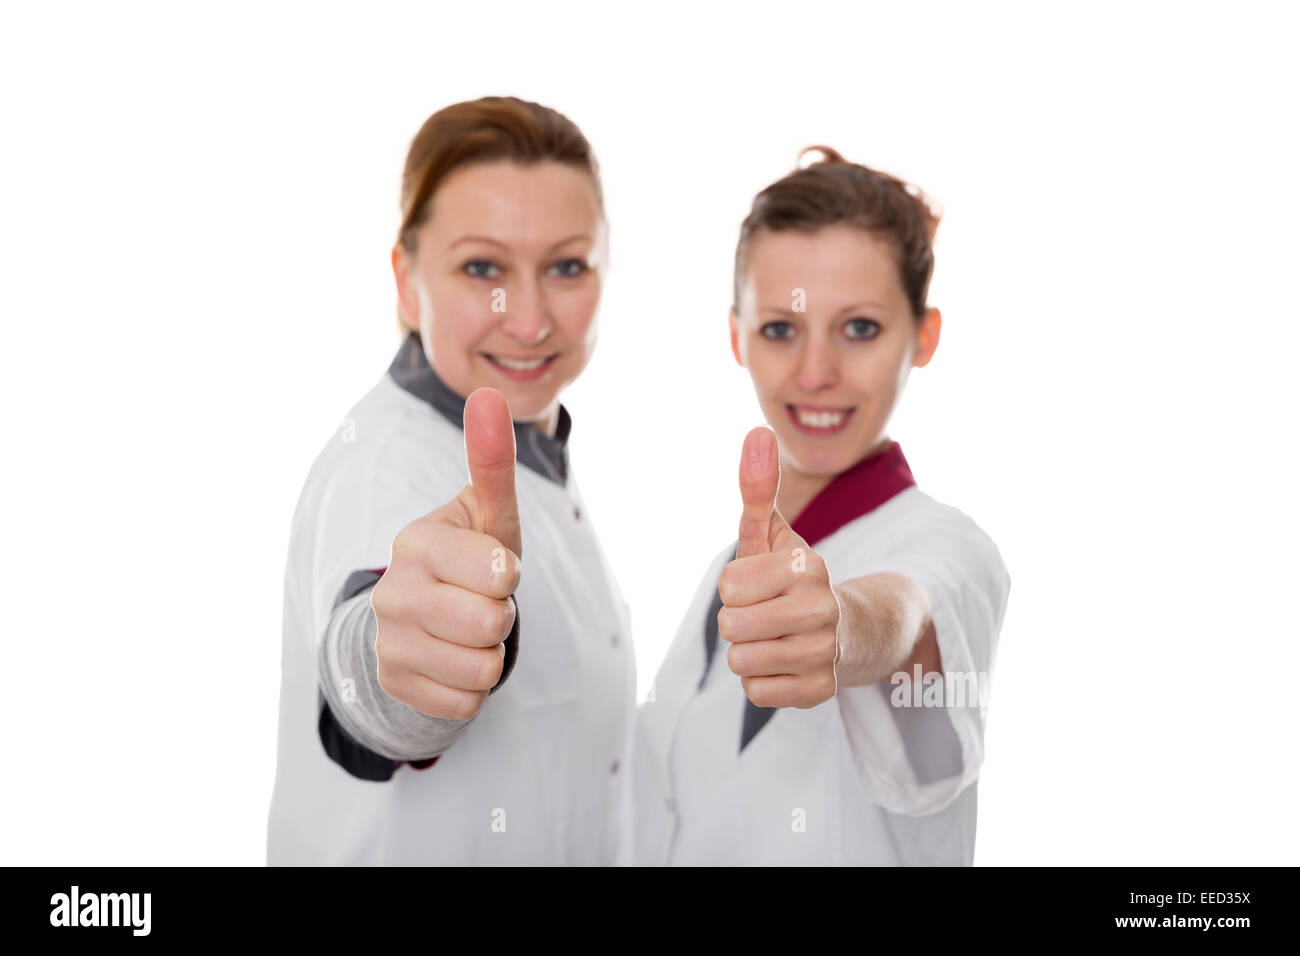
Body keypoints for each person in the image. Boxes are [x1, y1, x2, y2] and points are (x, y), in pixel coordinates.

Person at [267, 96, 635, 865]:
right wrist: (396, 660)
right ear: (406, 281)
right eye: (482, 268)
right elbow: (370, 661)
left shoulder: (536, 451)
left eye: (567, 266)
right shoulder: (384, 468)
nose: (530, 320)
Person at [634, 146, 1011, 865]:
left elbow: (906, 617)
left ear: (923, 335)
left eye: (860, 328)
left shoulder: (951, 548)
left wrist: (841, 629)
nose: (816, 373)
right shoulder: (725, 580)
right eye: (781, 328)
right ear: (736, 335)